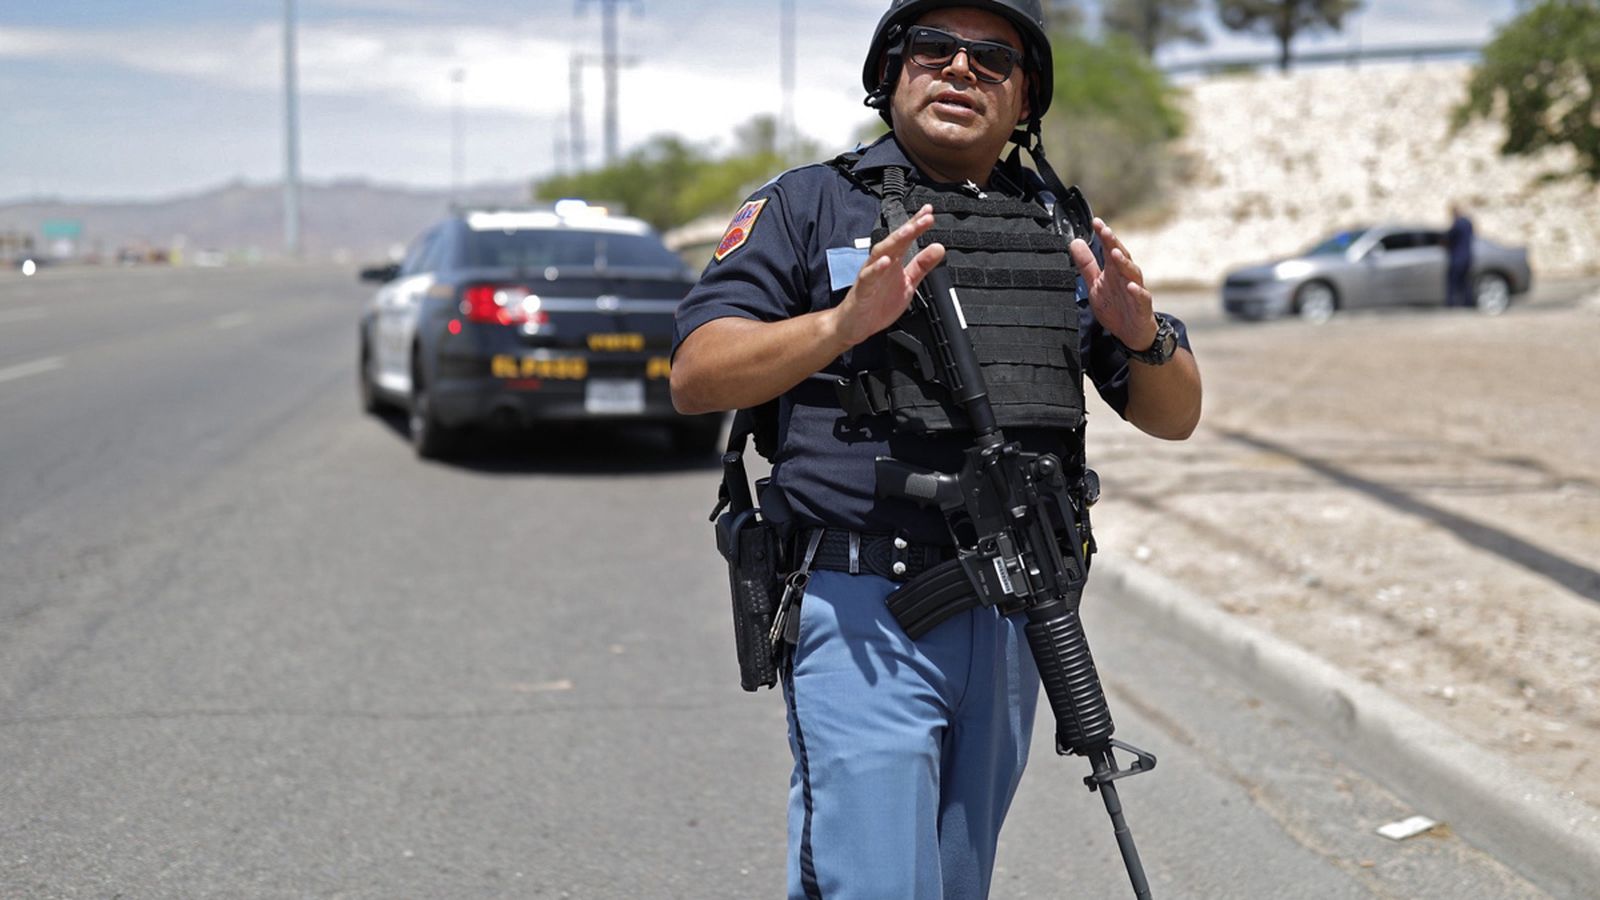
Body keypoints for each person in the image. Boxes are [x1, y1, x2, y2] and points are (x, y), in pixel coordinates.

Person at [671, 1, 1202, 896]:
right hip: (863, 609)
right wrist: (842, 324)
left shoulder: (1054, 225)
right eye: (935, 47)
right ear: (891, 69)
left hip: (1015, 614)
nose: (961, 69)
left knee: (958, 881)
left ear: (1026, 95)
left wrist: (1141, 335)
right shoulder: (809, 204)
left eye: (993, 58)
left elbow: (1175, 415)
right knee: (875, 882)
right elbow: (697, 374)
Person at [1445, 203, 1476, 308]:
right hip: (1468, 257)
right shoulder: (1468, 223)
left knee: (1453, 281)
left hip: (1457, 258)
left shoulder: (1457, 224)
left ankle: (1451, 303)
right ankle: (1468, 302)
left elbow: (1449, 238)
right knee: (1466, 281)